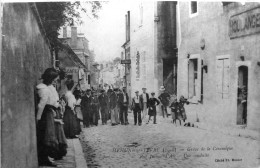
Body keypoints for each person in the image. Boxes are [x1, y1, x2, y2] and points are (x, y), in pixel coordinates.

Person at [36, 68, 59, 167]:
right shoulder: (43, 89)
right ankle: (43, 159)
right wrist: (38, 117)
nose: (55, 81)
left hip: (47, 112)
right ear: (50, 78)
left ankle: (45, 158)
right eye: (54, 79)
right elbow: (41, 104)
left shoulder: (47, 87)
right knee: (45, 135)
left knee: (46, 135)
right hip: (45, 114)